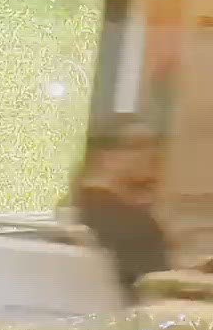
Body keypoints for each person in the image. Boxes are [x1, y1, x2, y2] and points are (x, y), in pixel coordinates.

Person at [69, 120, 169, 297]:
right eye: (139, 145)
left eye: (155, 145)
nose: (153, 154)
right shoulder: (136, 225)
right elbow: (159, 292)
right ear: (105, 156)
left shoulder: (76, 208)